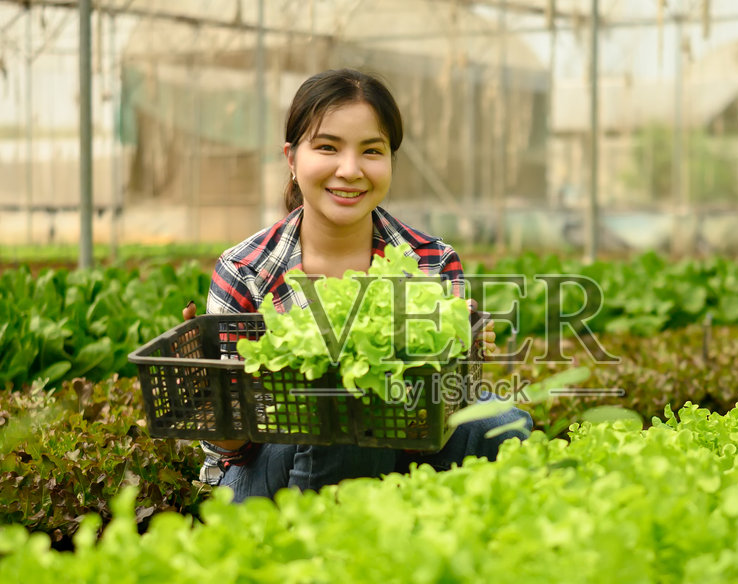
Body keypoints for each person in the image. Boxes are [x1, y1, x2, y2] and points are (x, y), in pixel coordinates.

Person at [181, 68, 533, 502]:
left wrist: (461, 348)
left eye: (371, 151)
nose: (349, 170)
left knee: (504, 423)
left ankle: (385, 522)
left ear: (389, 161)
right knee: (343, 412)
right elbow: (231, 448)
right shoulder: (246, 269)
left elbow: (441, 420)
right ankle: (321, 545)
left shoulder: (432, 261)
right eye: (327, 147)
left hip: (396, 454)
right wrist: (209, 388)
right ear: (291, 159)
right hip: (266, 476)